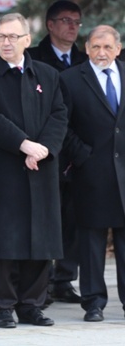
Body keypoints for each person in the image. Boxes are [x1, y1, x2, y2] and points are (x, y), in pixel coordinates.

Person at [0, 12, 68, 329]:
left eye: (11, 37)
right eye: (0, 37)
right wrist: (24, 145)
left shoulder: (47, 75)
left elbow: (59, 115)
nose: (4, 42)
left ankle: (31, 305)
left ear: (27, 40)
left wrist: (45, 148)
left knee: (40, 239)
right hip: (0, 171)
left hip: (40, 169)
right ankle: (2, 306)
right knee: (2, 240)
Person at [59, 25, 125, 323]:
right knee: (91, 242)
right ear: (86, 48)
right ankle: (93, 302)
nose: (102, 53)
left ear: (118, 49)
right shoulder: (70, 79)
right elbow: (62, 124)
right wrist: (82, 155)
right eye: (96, 47)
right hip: (91, 173)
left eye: (108, 47)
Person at [27, 0, 87, 304]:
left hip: (78, 154)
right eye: (66, 20)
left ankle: (64, 279)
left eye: (77, 21)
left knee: (73, 219)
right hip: (44, 151)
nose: (73, 26)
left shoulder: (85, 59)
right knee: (45, 217)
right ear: (50, 25)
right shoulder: (34, 59)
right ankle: (43, 282)